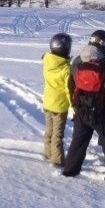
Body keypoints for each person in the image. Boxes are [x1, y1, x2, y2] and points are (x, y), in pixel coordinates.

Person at [62, 29, 105, 182]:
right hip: (101, 110)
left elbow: (70, 84)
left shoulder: (78, 60)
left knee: (78, 143)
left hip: (81, 110)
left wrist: (76, 104)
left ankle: (69, 173)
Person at [41, 33, 73, 166]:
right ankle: (57, 159)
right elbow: (69, 90)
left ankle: (48, 152)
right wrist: (74, 108)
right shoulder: (66, 70)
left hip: (48, 103)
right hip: (59, 107)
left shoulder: (47, 62)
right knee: (57, 135)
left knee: (49, 130)